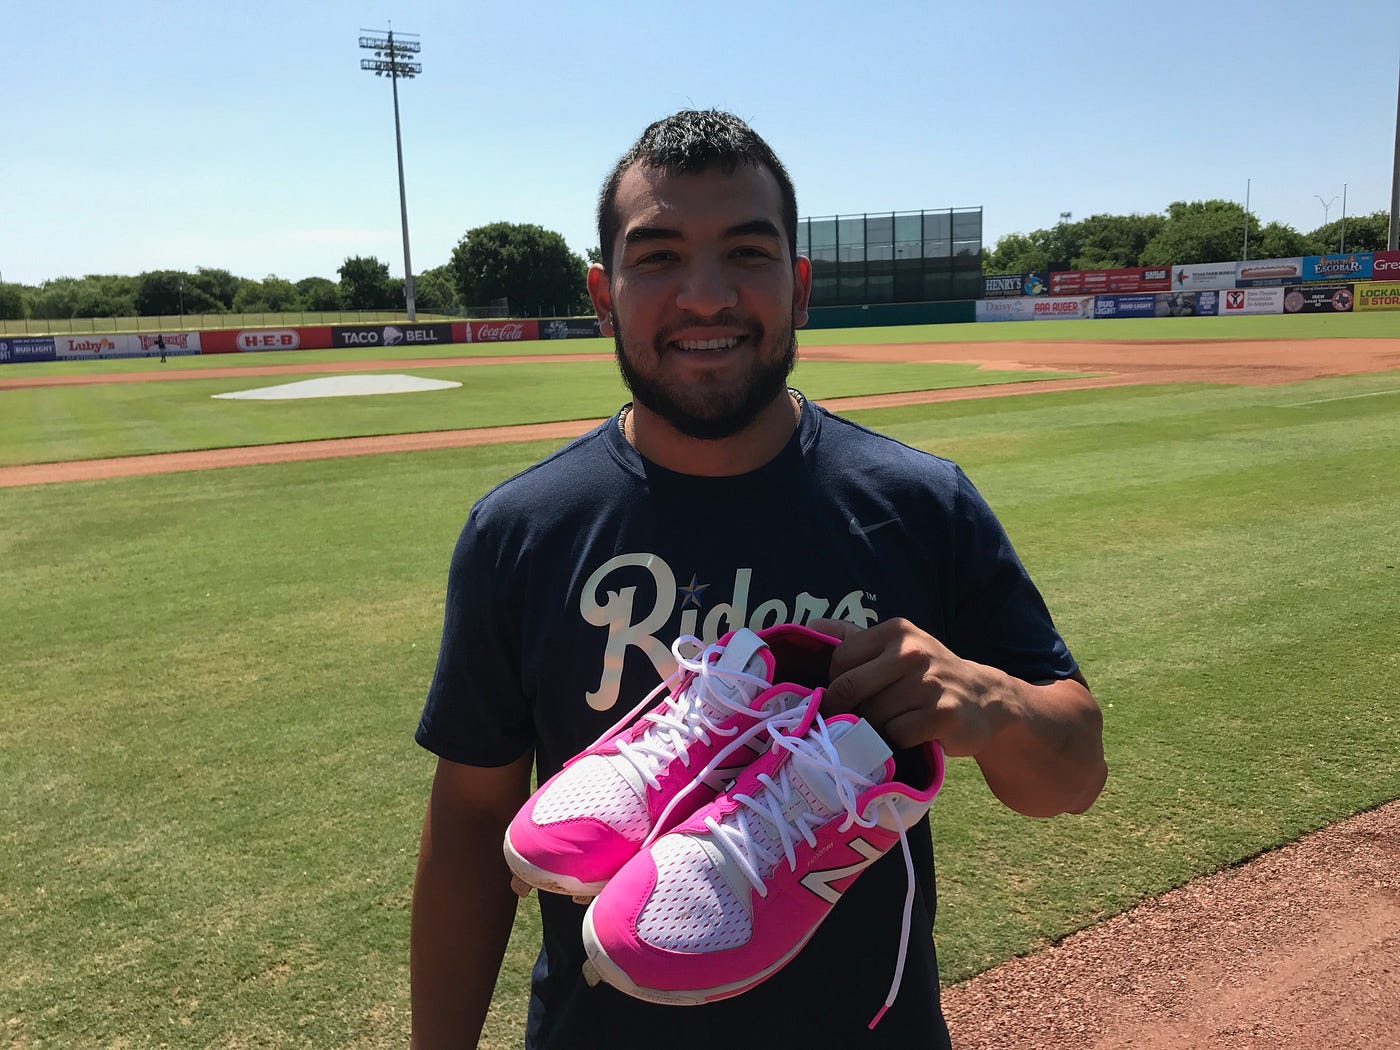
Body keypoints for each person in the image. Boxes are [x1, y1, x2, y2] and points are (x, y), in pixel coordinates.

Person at [411, 109, 1107, 1050]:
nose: (706, 296)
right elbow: (470, 826)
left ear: (800, 285)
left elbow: (1073, 777)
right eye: (657, 257)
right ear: (603, 294)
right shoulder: (523, 531)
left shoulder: (919, 503)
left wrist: (995, 704)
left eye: (747, 252)